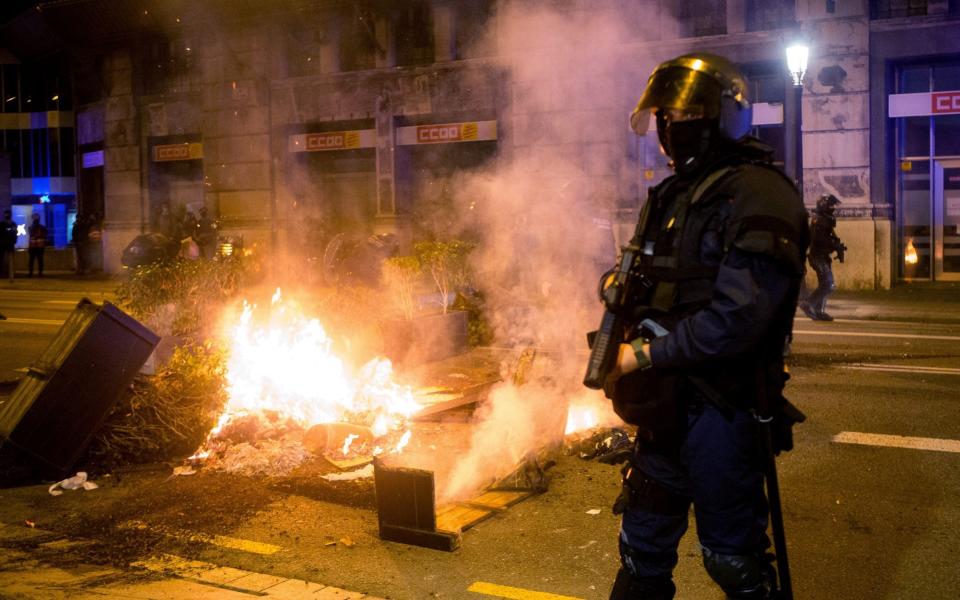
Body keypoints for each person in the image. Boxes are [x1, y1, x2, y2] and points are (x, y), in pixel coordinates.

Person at [601, 53, 809, 599]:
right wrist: (616, 287)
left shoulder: (759, 193)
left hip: (724, 406)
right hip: (662, 407)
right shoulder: (671, 195)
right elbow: (655, 275)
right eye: (664, 116)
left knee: (731, 561)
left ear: (723, 115)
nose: (671, 127)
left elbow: (739, 318)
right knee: (640, 551)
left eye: (685, 113)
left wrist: (642, 356)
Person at [799, 194, 845, 321]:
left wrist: (836, 245)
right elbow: (818, 240)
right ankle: (809, 303)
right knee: (828, 284)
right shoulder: (819, 220)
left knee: (824, 283)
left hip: (822, 256)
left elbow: (827, 238)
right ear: (824, 206)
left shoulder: (825, 220)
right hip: (817, 256)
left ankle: (819, 312)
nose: (833, 208)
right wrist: (833, 245)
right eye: (831, 205)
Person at [27, 214, 47, 278]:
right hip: (35, 247)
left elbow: (44, 236)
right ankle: (33, 273)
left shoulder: (41, 228)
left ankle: (37, 273)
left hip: (38, 247)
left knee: (37, 261)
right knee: (33, 261)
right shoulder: (32, 227)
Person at [0, 209, 17, 281]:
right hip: (3, 244)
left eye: (8, 214)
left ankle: (10, 276)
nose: (7, 215)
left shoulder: (13, 224)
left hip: (9, 244)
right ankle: (3, 274)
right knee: (2, 260)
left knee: (10, 260)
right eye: (6, 214)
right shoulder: (2, 224)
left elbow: (15, 233)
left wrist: (14, 241)